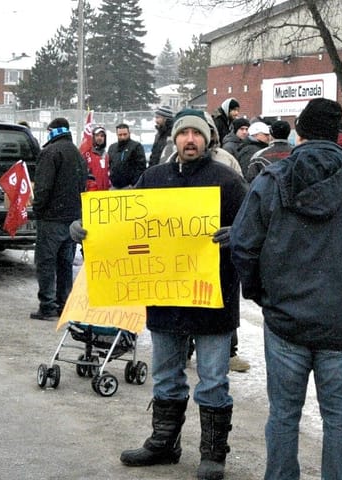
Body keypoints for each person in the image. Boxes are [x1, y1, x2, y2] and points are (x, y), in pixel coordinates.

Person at [232, 98, 342, 480]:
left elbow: (243, 245)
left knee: (283, 415)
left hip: (286, 319)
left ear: (300, 134)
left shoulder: (271, 181)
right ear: (338, 136)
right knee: (339, 418)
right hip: (341, 318)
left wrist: (263, 293)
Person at [76, 109, 246, 480]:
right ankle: (164, 443)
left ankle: (213, 453)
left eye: (197, 134)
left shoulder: (228, 181)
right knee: (166, 374)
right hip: (165, 296)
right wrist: (88, 229)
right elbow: (123, 224)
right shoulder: (153, 179)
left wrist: (238, 234)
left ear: (207, 139)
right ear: (175, 139)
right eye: (184, 133)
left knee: (213, 379)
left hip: (212, 297)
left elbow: (257, 226)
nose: (190, 140)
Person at [30, 117, 87, 320]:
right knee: (65, 264)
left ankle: (47, 305)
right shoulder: (77, 154)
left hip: (51, 218)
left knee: (46, 262)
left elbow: (43, 187)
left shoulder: (50, 153)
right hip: (71, 218)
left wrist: (37, 208)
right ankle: (64, 304)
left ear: (52, 131)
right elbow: (83, 185)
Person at [107, 123, 147, 188]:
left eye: (125, 134)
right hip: (115, 186)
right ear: (117, 134)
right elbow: (110, 165)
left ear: (129, 133)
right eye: (120, 135)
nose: (123, 137)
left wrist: (133, 183)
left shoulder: (136, 146)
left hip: (130, 186)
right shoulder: (112, 147)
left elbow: (141, 167)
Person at [81, 124, 111, 192]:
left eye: (102, 136)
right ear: (93, 137)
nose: (99, 138)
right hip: (91, 192)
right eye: (97, 135)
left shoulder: (106, 155)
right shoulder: (87, 153)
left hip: (105, 192)